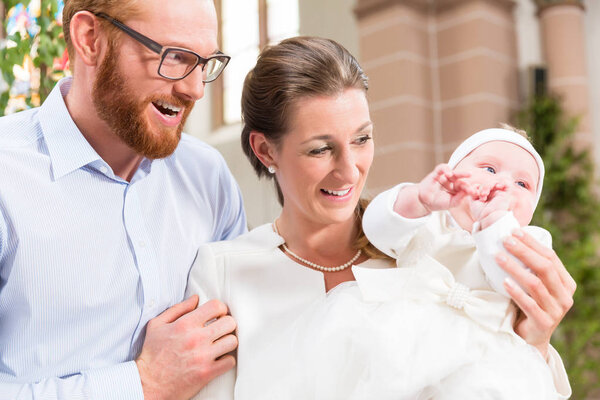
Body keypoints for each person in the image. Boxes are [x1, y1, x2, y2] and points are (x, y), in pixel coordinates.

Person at [186, 37, 576, 399]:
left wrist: (536, 340)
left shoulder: (432, 243)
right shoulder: (224, 273)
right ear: (266, 151)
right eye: (320, 149)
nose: (350, 171)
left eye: (361, 139)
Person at [0, 1, 245, 398]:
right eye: (175, 57)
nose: (195, 89)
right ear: (90, 39)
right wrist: (142, 384)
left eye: (205, 63)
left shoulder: (208, 177)